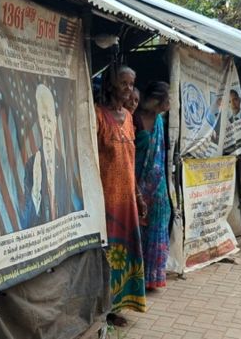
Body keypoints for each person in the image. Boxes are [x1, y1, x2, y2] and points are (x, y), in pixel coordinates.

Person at [95, 65, 147, 324]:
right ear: (111, 85)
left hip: (126, 200)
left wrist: (137, 194)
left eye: (131, 83)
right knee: (107, 255)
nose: (128, 89)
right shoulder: (98, 116)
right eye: (124, 83)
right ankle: (107, 309)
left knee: (125, 253)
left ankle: (120, 305)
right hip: (106, 201)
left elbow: (131, 161)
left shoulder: (128, 117)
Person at [133, 81, 172, 290]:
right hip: (137, 181)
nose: (170, 103)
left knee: (158, 222)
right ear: (157, 100)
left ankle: (153, 276)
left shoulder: (159, 120)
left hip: (158, 187)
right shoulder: (134, 118)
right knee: (139, 228)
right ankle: (138, 276)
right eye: (168, 99)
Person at [22, 84, 77, 226]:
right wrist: (35, 192)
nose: (46, 126)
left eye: (49, 120)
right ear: (38, 121)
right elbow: (27, 221)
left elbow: (66, 203)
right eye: (43, 118)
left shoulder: (62, 160)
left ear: (55, 122)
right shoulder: (31, 164)